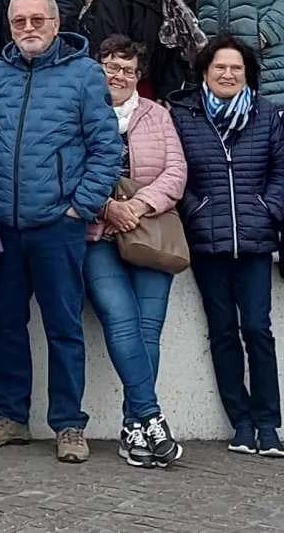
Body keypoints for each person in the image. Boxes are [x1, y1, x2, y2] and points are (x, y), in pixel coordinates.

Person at [0, 0, 122, 463]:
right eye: (19, 21)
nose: (29, 29)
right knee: (6, 323)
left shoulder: (84, 75)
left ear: (57, 24)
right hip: (4, 224)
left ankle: (68, 424)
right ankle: (12, 416)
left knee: (63, 326)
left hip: (59, 223)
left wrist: (81, 206)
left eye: (38, 20)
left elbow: (106, 148)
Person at [169, 34, 284, 458]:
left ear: (247, 73)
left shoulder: (266, 114)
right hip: (207, 240)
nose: (228, 73)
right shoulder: (183, 115)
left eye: (236, 67)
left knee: (257, 330)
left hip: (255, 239)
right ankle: (240, 421)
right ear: (205, 71)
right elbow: (176, 171)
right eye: (220, 66)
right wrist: (195, 209)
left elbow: (281, 172)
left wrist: (267, 208)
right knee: (222, 332)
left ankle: (268, 424)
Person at [83, 35, 187, 468]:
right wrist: (109, 207)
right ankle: (151, 415)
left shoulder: (158, 115)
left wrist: (138, 206)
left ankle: (133, 428)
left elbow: (176, 170)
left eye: (126, 69)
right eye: (109, 66)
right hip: (97, 236)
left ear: (138, 75)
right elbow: (68, 168)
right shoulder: (81, 112)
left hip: (149, 234)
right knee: (122, 322)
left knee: (149, 329)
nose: (118, 76)